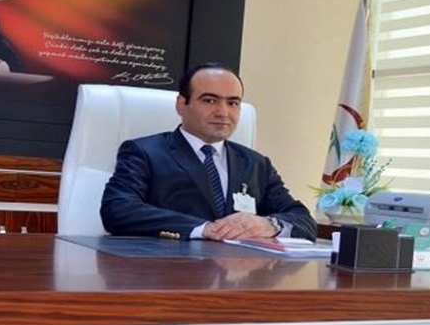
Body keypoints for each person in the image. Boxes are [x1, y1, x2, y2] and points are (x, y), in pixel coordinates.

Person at [100, 63, 317, 241]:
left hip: (238, 273)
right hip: (168, 268)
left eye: (233, 103)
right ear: (181, 104)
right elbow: (118, 210)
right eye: (209, 100)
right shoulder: (144, 152)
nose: (223, 112)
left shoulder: (256, 163)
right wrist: (203, 229)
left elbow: (303, 220)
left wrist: (269, 225)